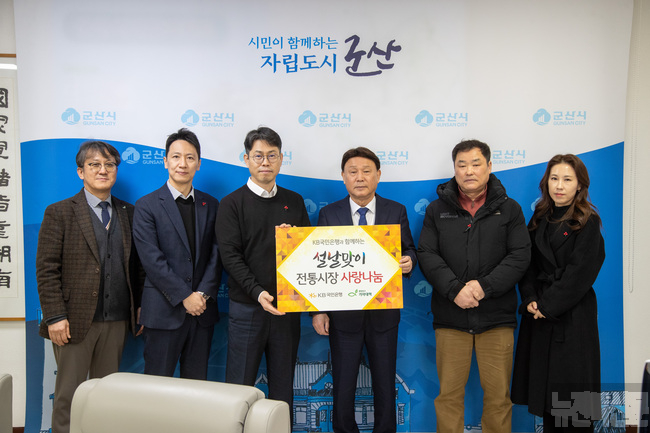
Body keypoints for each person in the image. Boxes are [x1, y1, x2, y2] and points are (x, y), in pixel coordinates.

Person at [417, 139, 531, 433]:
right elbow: (427, 254)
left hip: (496, 317)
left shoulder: (510, 209)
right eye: (462, 165)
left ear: (489, 167)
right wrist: (455, 290)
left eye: (476, 164)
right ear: (454, 169)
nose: (469, 171)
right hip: (450, 317)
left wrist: (483, 287)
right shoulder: (436, 210)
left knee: (498, 398)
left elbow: (519, 256)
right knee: (448, 397)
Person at [36, 141, 143, 433]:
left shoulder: (129, 212)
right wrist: (55, 316)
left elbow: (138, 268)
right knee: (68, 395)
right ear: (81, 171)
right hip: (73, 322)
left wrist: (140, 308)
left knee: (106, 396)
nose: (102, 170)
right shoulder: (59, 212)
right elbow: (46, 269)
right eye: (94, 164)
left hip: (117, 319)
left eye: (109, 165)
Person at [312, 147, 417, 433]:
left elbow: (409, 249)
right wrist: (318, 310)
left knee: (385, 383)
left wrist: (409, 261)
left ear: (378, 175)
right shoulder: (329, 213)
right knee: (343, 384)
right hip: (343, 317)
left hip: (384, 315)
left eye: (366, 171)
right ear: (343, 177)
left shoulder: (395, 210)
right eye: (353, 172)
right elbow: (318, 265)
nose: (360, 177)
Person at [216, 126, 310, 416]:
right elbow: (230, 257)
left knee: (283, 391)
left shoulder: (294, 201)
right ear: (246, 159)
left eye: (272, 155)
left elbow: (309, 255)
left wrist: (294, 241)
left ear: (281, 159)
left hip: (286, 311)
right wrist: (258, 293)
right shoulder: (231, 203)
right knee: (239, 390)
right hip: (248, 309)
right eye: (258, 156)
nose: (265, 162)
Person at [512, 154, 605, 432]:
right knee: (549, 403)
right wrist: (530, 298)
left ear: (580, 185)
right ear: (546, 183)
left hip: (572, 317)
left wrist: (547, 306)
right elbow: (527, 264)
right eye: (554, 178)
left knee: (574, 404)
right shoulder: (539, 217)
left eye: (567, 179)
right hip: (540, 318)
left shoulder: (587, 221)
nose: (559, 186)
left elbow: (580, 273)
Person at [133, 128, 220, 379]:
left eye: (190, 158)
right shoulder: (146, 205)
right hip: (163, 312)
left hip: (201, 313)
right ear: (165, 161)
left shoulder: (211, 204)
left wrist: (200, 295)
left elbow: (217, 255)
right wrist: (184, 296)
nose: (183, 164)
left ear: (198, 164)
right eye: (176, 157)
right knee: (156, 388)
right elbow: (152, 260)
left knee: (196, 387)